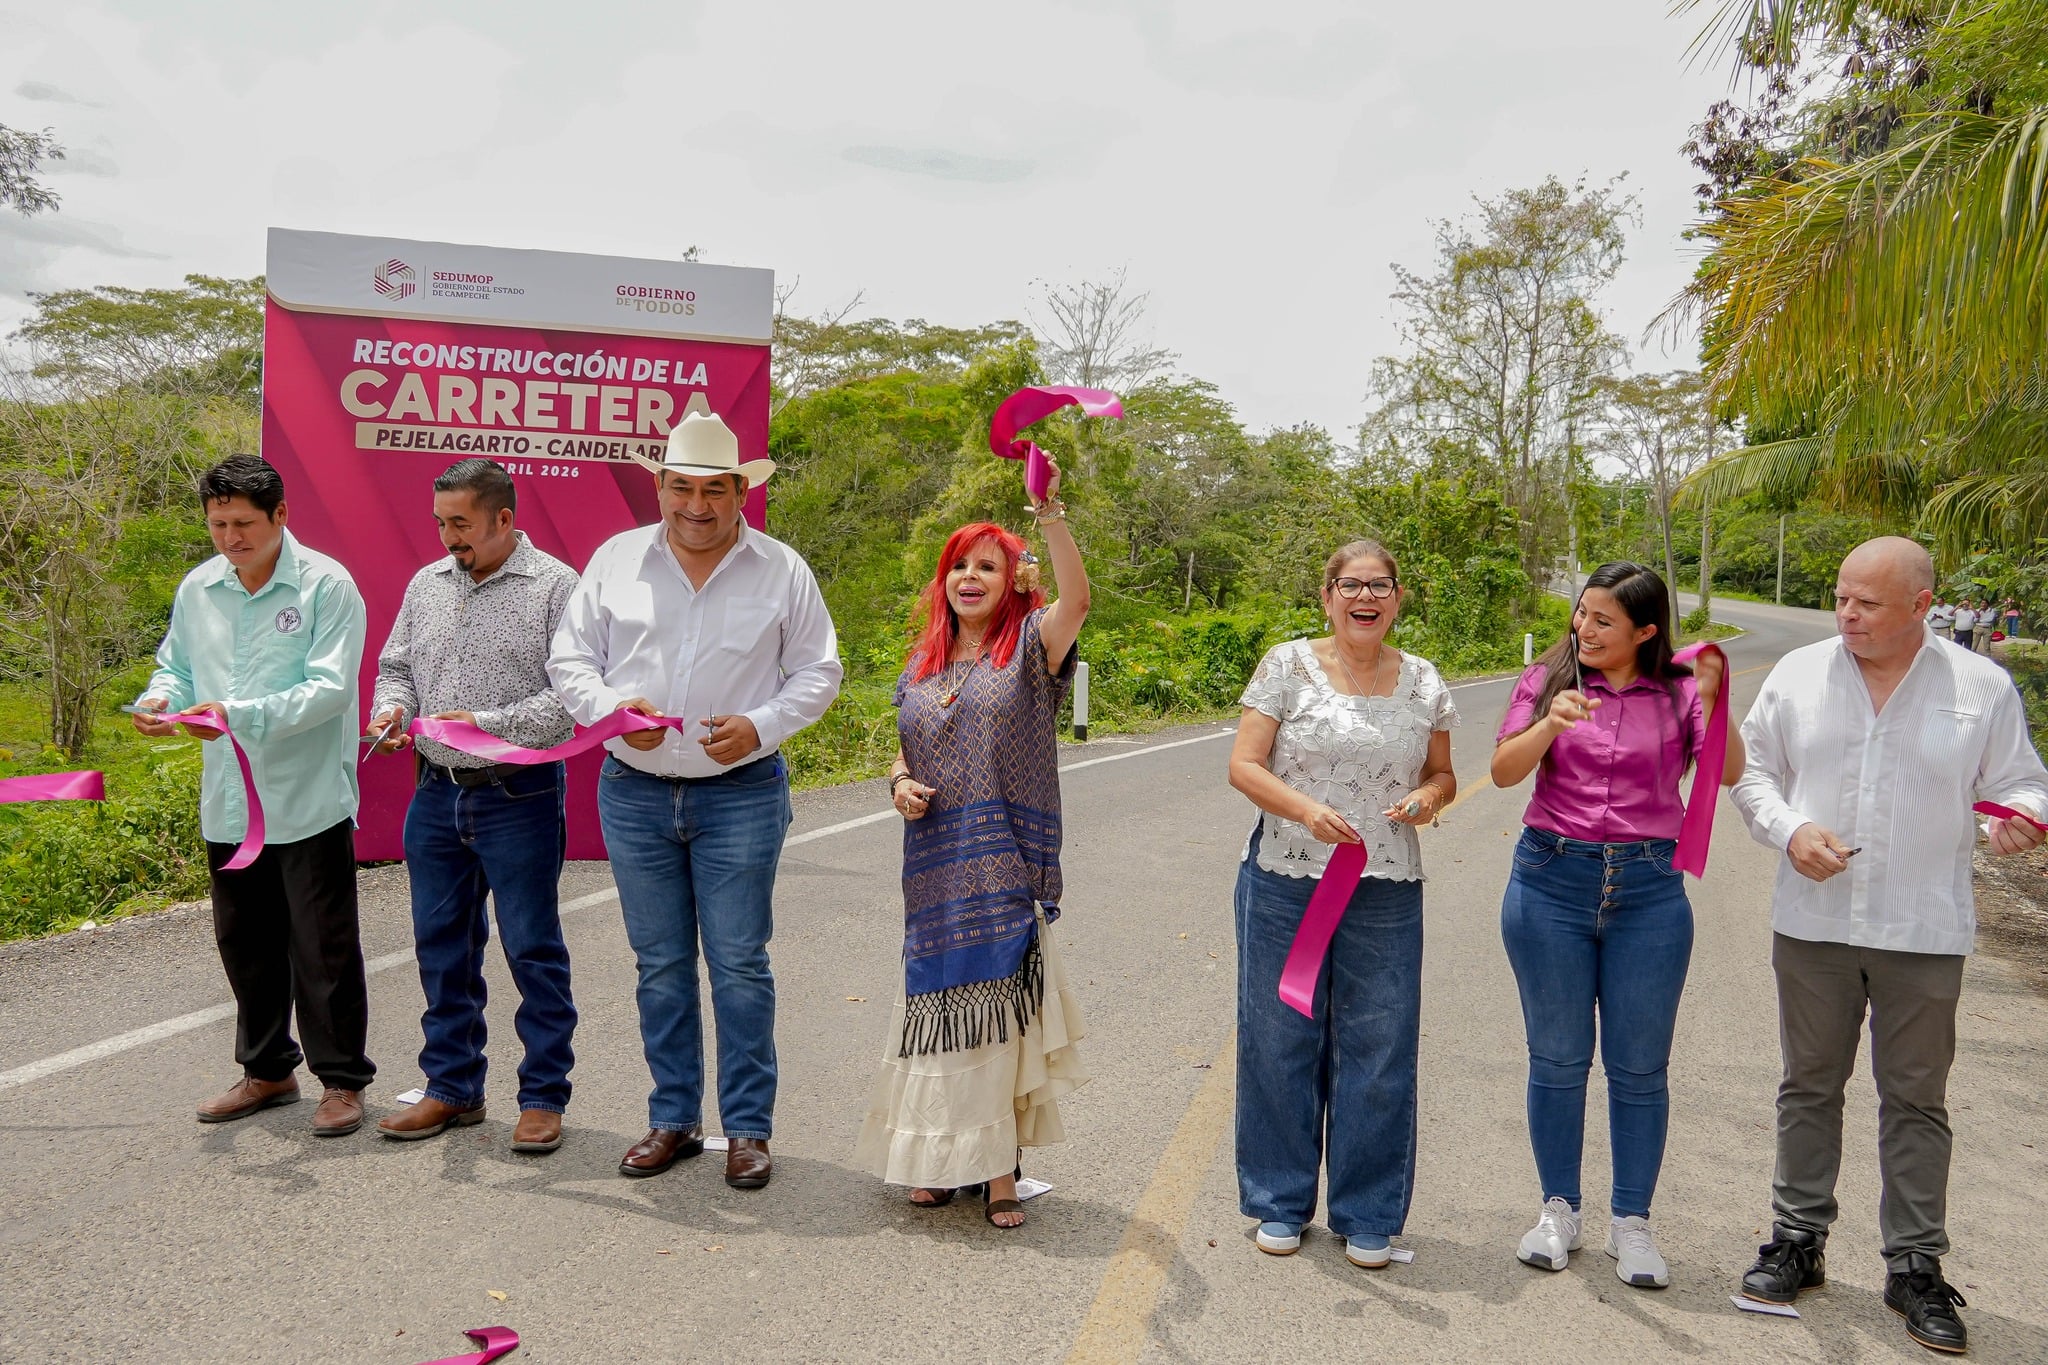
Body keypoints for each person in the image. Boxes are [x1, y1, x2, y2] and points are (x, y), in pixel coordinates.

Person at [1731, 537, 2048, 1355]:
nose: (1848, 614)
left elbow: (2021, 781)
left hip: (1923, 927)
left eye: (1867, 602)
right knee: (1809, 1084)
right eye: (1841, 596)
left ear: (1922, 604)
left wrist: (2020, 818)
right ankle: (1796, 1239)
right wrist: (1790, 828)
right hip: (1814, 922)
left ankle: (1915, 1266)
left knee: (1915, 1098)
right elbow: (1750, 770)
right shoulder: (1799, 673)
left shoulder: (1979, 685)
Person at [548, 408, 842, 1187]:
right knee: (660, 964)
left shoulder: (782, 569)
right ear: (660, 487)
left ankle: (747, 1128)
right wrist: (612, 711)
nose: (696, 505)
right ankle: (673, 1117)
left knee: (740, 963)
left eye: (715, 489)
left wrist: (762, 724)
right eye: (681, 487)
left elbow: (820, 670)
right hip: (633, 793)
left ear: (742, 491)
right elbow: (570, 658)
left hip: (741, 793)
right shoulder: (616, 560)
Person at [1488, 562, 1746, 1289]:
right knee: (1557, 1058)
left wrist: (1718, 700)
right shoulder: (1547, 679)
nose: (1585, 629)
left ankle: (1631, 1221)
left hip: (1649, 892)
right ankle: (1558, 1211)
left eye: (1604, 620)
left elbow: (1727, 772)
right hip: (1550, 881)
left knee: (1639, 1067)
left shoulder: (1679, 690)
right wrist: (1549, 724)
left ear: (1646, 631)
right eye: (1582, 613)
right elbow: (1503, 771)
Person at [853, 464, 1089, 1230]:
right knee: (934, 1014)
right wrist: (898, 783)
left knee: (995, 1021)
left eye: (987, 565)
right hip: (932, 870)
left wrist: (1048, 512)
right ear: (943, 580)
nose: (970, 577)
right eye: (959, 564)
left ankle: (996, 1171)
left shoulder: (1028, 650)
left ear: (1011, 580)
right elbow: (905, 749)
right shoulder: (920, 667)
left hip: (1003, 866)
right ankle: (933, 1159)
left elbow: (1078, 601)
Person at [1224, 540, 1458, 1268]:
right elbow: (1244, 765)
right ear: (1327, 596)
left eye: (1380, 586)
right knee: (1278, 1038)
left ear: (1397, 597)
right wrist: (1305, 810)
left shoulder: (1424, 680)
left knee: (1379, 1046)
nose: (1366, 597)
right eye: (1351, 585)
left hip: (1385, 889)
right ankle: (1279, 1200)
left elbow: (1444, 774)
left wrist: (1429, 798)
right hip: (1288, 879)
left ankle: (1368, 1212)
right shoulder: (1285, 666)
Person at [132, 454, 373, 1136]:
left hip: (306, 799)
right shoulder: (199, 587)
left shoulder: (327, 586)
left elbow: (330, 690)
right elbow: (176, 666)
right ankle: (267, 1069)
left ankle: (342, 1080)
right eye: (218, 525)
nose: (230, 538)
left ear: (281, 515)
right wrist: (160, 699)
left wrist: (235, 713)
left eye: (243, 523)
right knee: (245, 942)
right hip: (230, 800)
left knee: (322, 948)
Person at [366, 459, 581, 1154]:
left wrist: (483, 725)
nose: (448, 537)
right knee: (441, 947)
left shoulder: (556, 588)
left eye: (460, 523)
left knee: (531, 947)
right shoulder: (426, 584)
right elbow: (397, 668)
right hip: (435, 793)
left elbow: (571, 700)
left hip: (518, 795)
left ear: (503, 519)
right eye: (440, 523)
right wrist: (392, 710)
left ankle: (542, 1097)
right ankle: (452, 1086)